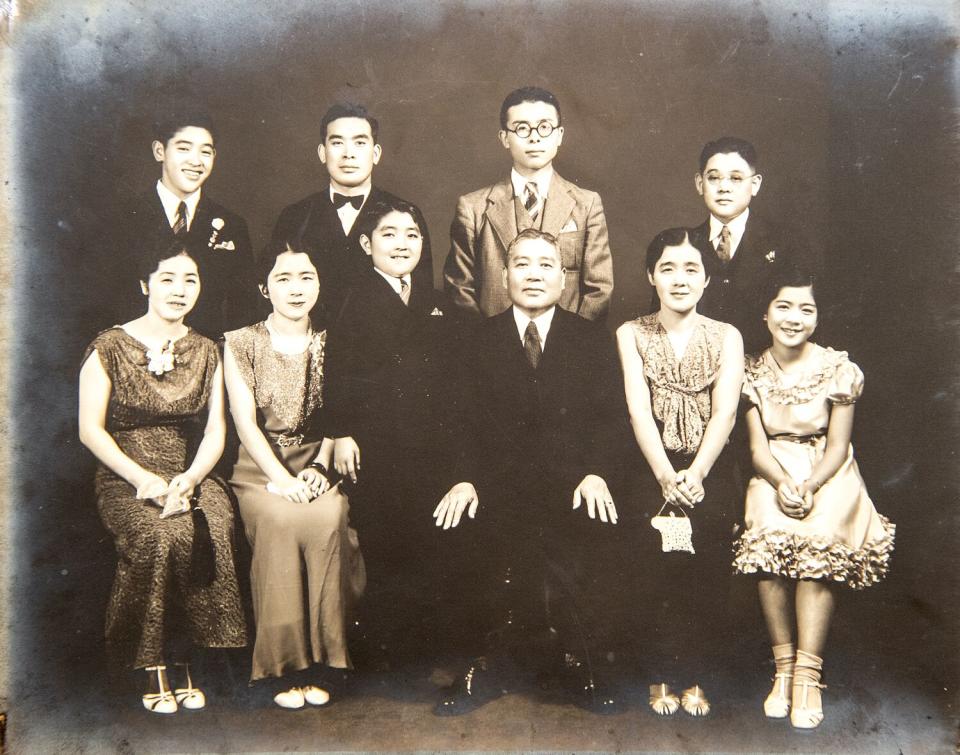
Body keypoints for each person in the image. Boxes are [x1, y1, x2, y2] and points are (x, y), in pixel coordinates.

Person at [433, 228, 627, 715]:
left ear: (563, 279)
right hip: (498, 485)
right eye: (522, 264)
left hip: (572, 483)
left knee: (582, 537)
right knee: (476, 534)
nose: (534, 274)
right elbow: (456, 420)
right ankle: (492, 662)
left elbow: (610, 417)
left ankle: (575, 659)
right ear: (504, 275)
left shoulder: (590, 339)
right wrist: (463, 477)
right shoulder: (475, 340)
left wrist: (597, 472)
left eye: (546, 265)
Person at [78, 240, 247, 714]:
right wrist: (142, 480)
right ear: (145, 285)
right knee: (158, 533)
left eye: (190, 280)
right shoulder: (109, 345)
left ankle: (187, 658)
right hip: (124, 472)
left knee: (212, 523)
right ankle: (148, 664)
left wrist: (192, 478)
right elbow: (90, 430)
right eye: (167, 279)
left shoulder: (207, 349)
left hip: (188, 470)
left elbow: (216, 429)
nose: (179, 289)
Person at [731, 270, 894, 729]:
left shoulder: (838, 369)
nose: (794, 318)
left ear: (818, 318)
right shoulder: (749, 371)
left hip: (828, 470)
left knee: (816, 544)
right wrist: (782, 482)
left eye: (806, 309)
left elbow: (839, 445)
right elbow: (757, 448)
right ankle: (783, 668)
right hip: (774, 468)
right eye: (784, 306)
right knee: (765, 539)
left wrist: (809, 485)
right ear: (765, 314)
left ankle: (808, 673)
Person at [223, 242, 365, 709]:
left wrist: (321, 469)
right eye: (284, 278)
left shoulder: (334, 340)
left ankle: (327, 662)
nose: (296, 288)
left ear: (320, 284)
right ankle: (285, 667)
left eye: (306, 276)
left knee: (325, 521)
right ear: (264, 288)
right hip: (260, 465)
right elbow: (245, 423)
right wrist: (281, 481)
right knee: (281, 522)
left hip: (318, 461)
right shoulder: (240, 342)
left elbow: (337, 415)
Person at [323, 199, 458, 667]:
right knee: (386, 539)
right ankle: (388, 655)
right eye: (389, 234)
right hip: (373, 442)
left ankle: (427, 645)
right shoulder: (352, 300)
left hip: (427, 440)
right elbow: (337, 371)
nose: (402, 243)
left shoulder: (433, 300)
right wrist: (341, 432)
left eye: (412, 234)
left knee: (428, 539)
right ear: (366, 244)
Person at [617, 227, 744, 717]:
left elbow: (725, 413)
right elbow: (638, 410)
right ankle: (658, 674)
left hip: (708, 469)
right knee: (652, 570)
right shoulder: (631, 333)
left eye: (691, 269)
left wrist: (695, 475)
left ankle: (697, 675)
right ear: (651, 276)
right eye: (668, 268)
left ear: (707, 279)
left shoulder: (726, 336)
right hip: (651, 468)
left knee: (706, 569)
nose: (679, 279)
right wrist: (667, 477)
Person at [444, 86, 613, 321]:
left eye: (544, 127)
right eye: (522, 128)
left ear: (559, 135)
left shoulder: (587, 204)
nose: (534, 137)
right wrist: (487, 343)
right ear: (504, 138)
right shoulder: (473, 207)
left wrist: (570, 342)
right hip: (492, 348)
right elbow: (460, 288)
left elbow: (599, 289)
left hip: (567, 348)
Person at [272, 103, 433, 322]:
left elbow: (421, 297)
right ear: (322, 152)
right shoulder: (295, 216)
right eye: (337, 143)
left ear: (375, 153)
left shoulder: (406, 214)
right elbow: (274, 289)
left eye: (359, 143)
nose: (348, 154)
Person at [103, 111, 256, 339]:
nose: (196, 161)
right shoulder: (120, 219)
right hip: (133, 354)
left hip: (208, 357)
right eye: (184, 148)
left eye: (205, 151)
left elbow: (244, 309)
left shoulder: (233, 224)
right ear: (159, 151)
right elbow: (105, 300)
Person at [678, 136, 818, 353]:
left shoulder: (786, 244)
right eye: (714, 178)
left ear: (755, 184)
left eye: (735, 178)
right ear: (699, 183)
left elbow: (807, 315)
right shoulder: (683, 245)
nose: (724, 187)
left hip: (765, 370)